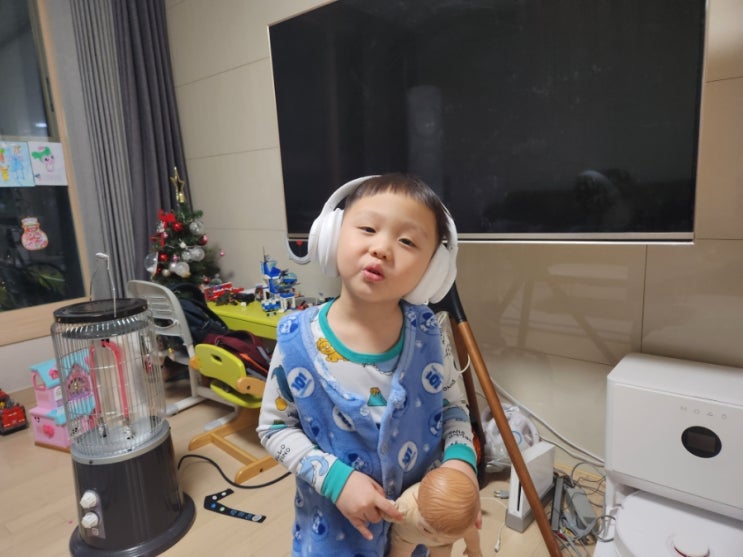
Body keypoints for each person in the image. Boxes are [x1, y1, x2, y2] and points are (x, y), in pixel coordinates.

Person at [257, 173, 479, 556]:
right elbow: (274, 428)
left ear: (433, 271)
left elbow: (453, 409)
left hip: (413, 529)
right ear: (332, 236)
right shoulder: (295, 340)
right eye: (368, 229)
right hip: (333, 536)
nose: (382, 249)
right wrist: (336, 480)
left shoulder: (430, 334)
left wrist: (461, 463)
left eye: (407, 241)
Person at [386, 466, 483, 557]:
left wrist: (474, 551)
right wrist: (382, 509)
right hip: (407, 535)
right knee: (399, 552)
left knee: (442, 550)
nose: (437, 539)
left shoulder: (463, 523)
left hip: (440, 546)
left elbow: (472, 536)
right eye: (427, 530)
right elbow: (387, 509)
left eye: (450, 537)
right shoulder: (407, 508)